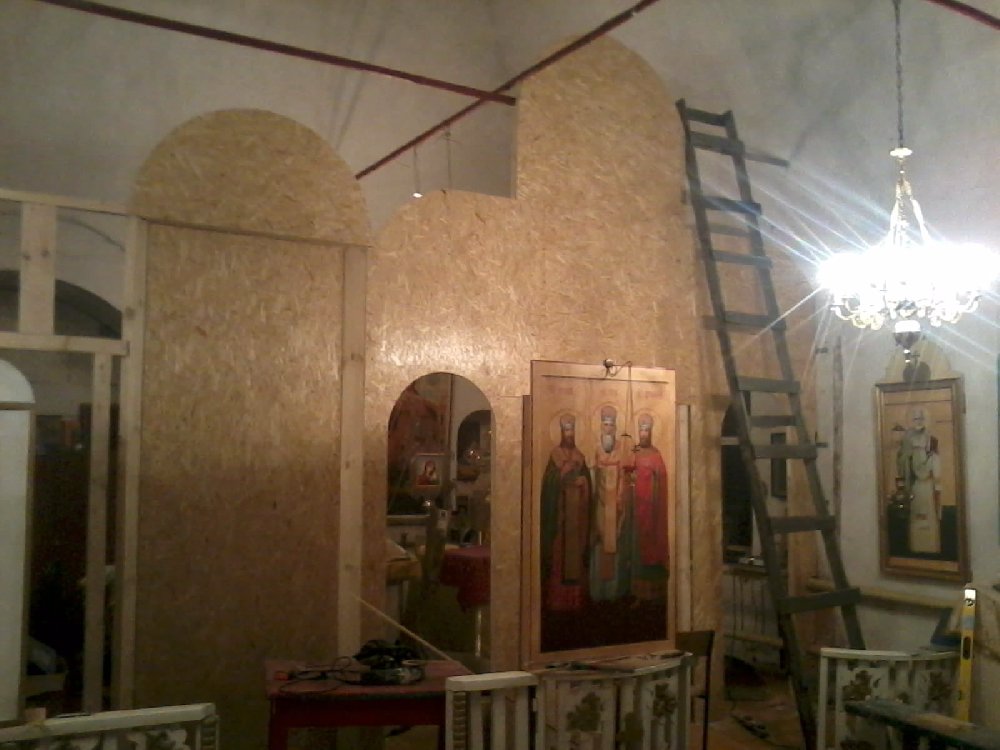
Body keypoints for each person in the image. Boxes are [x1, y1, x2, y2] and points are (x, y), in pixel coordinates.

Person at [540, 413, 593, 612]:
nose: (569, 434)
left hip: (577, 519)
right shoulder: (555, 455)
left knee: (575, 559)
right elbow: (548, 485)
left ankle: (575, 601)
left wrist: (583, 482)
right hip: (561, 519)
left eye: (572, 430)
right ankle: (558, 600)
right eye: (566, 430)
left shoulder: (580, 456)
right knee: (559, 557)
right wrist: (561, 474)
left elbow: (588, 485)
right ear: (561, 432)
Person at [621, 412, 669, 602]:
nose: (643, 434)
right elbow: (626, 476)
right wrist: (630, 478)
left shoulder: (656, 455)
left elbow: (662, 479)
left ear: (651, 432)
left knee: (649, 545)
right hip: (635, 507)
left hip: (651, 508)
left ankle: (650, 592)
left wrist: (655, 479)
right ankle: (632, 589)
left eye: (646, 431)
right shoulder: (634, 453)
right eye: (641, 430)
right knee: (634, 544)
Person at [589, 405, 627, 601]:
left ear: (615, 428)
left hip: (615, 504)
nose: (608, 429)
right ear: (601, 427)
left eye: (611, 426)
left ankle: (613, 591)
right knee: (600, 542)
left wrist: (620, 497)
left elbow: (624, 476)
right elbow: (592, 475)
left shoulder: (621, 449)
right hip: (600, 504)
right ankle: (598, 590)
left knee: (614, 545)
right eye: (605, 425)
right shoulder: (595, 448)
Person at [896, 406, 942, 554]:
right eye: (915, 418)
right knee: (916, 517)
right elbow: (902, 461)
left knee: (928, 516)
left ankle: (930, 548)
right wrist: (907, 457)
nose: (919, 421)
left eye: (921, 418)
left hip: (927, 485)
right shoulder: (907, 439)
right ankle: (916, 548)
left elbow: (936, 463)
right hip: (915, 485)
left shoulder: (931, 439)